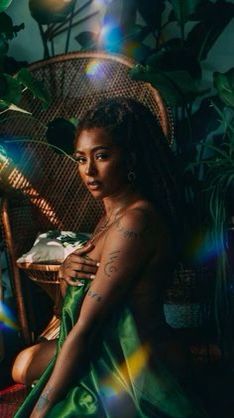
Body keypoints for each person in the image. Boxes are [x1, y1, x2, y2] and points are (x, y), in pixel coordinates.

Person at [13, 97, 208, 417]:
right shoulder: (107, 219)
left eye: (102, 156)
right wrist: (65, 274)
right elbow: (66, 313)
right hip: (101, 345)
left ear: (130, 159)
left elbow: (86, 328)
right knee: (22, 365)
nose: (88, 170)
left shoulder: (135, 221)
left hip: (127, 364)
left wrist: (39, 411)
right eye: (80, 159)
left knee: (53, 393)